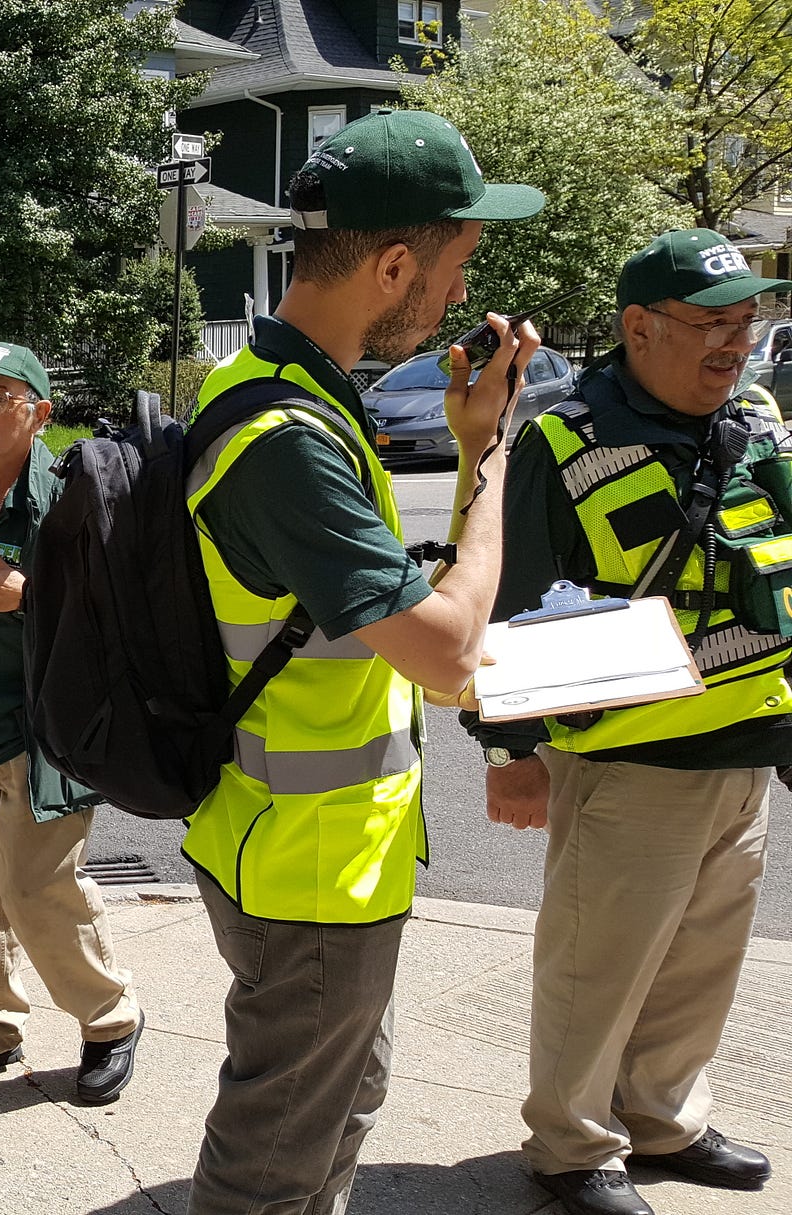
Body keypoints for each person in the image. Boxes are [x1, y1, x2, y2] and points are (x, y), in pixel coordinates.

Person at [180, 111, 543, 1215]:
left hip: (312, 854)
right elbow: (444, 652)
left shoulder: (289, 387)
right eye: (451, 267)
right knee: (275, 1155)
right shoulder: (287, 438)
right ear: (393, 264)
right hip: (308, 874)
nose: (450, 297)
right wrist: (489, 458)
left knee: (343, 1101)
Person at [474, 230, 789, 1215]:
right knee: (598, 964)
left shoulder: (759, 414)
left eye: (747, 320)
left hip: (750, 742)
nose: (734, 342)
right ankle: (570, 1146)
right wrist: (511, 753)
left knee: (704, 958)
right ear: (639, 327)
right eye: (710, 323)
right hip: (630, 754)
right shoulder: (562, 436)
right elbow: (509, 593)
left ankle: (662, 1115)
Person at [0, 340, 142, 1098]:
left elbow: (118, 612)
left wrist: (31, 593)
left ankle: (110, 1018)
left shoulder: (63, 495)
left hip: (46, 734)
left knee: (40, 888)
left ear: (40, 415)